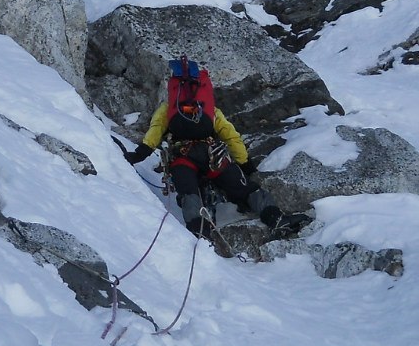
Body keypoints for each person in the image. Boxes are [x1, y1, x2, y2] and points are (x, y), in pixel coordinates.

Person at [122, 58, 312, 250]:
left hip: (182, 159)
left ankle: (200, 237)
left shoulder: (168, 109)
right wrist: (245, 164)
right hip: (213, 156)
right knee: (245, 189)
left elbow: (154, 132)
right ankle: (276, 219)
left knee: (189, 194)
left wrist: (138, 155)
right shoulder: (209, 109)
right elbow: (231, 135)